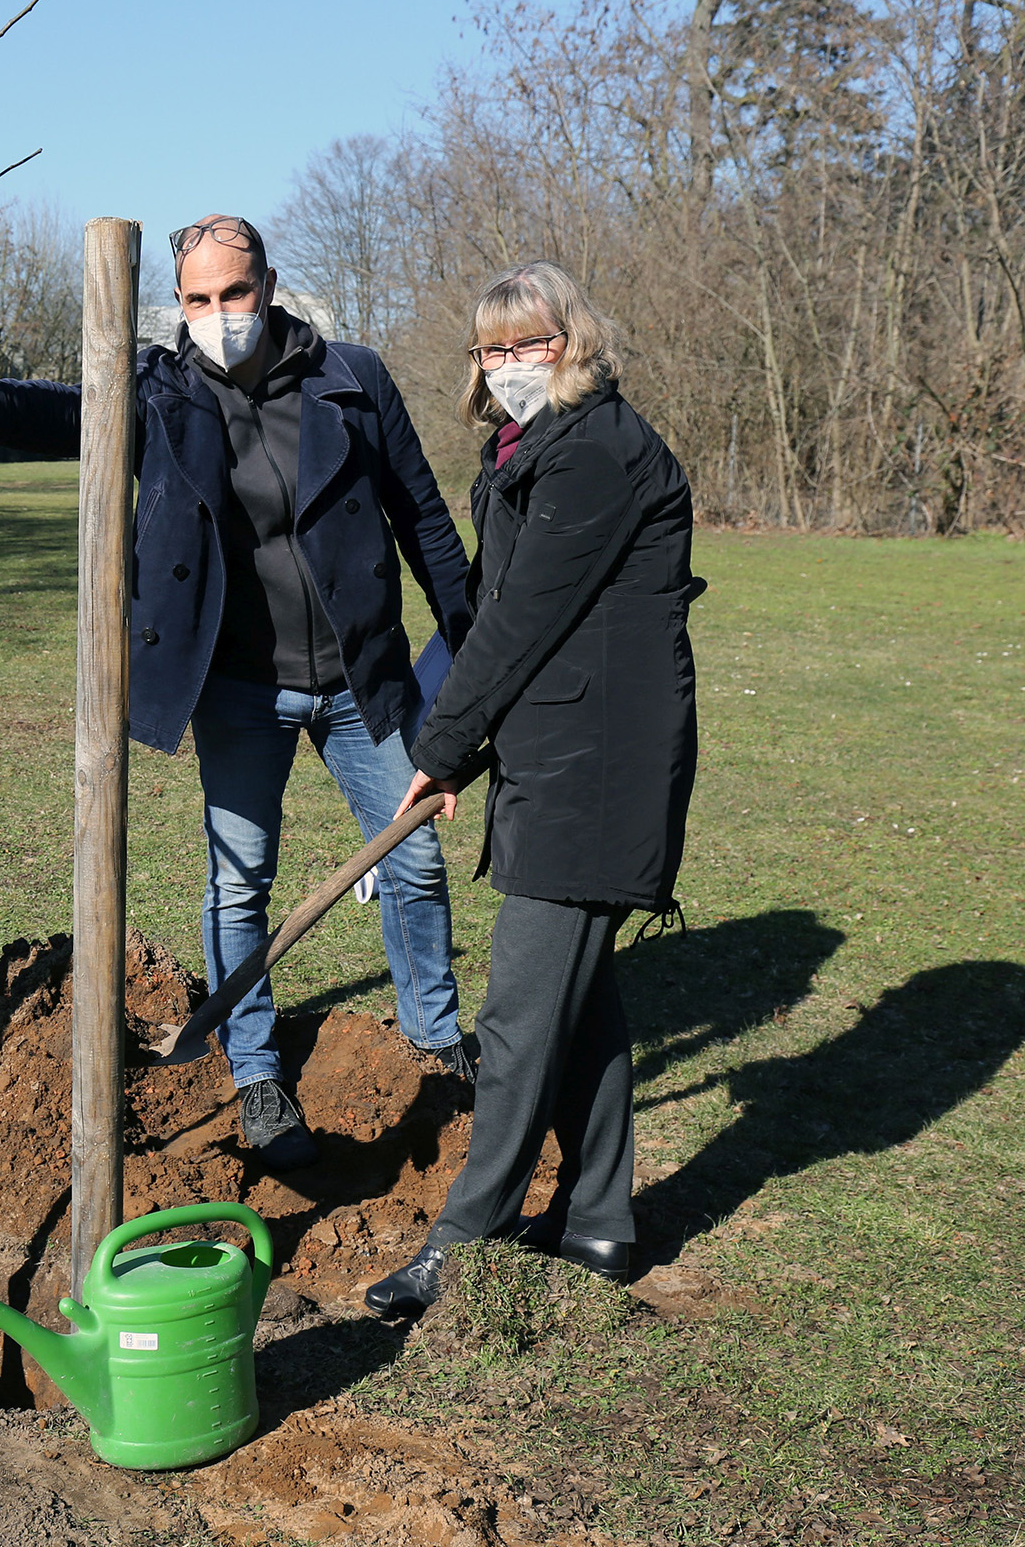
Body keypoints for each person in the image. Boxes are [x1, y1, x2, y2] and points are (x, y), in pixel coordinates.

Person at [0, 215, 475, 1171]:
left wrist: (471, 668)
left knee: (411, 863)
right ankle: (255, 1070)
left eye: (234, 294)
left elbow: (425, 524)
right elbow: (64, 409)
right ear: (180, 303)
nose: (218, 315)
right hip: (240, 690)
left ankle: (435, 1035)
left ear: (270, 286)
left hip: (361, 683)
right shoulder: (161, 391)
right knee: (237, 883)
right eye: (198, 300)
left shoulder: (353, 379)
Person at [365, 261, 702, 1318]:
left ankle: (464, 1241)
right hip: (559, 748)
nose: (511, 364)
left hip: (595, 765)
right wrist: (464, 740)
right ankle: (602, 1218)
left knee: (515, 1015)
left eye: (531, 342)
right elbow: (499, 613)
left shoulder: (595, 451)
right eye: (493, 349)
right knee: (581, 1010)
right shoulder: (530, 448)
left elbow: (519, 621)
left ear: (574, 341)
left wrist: (447, 744)